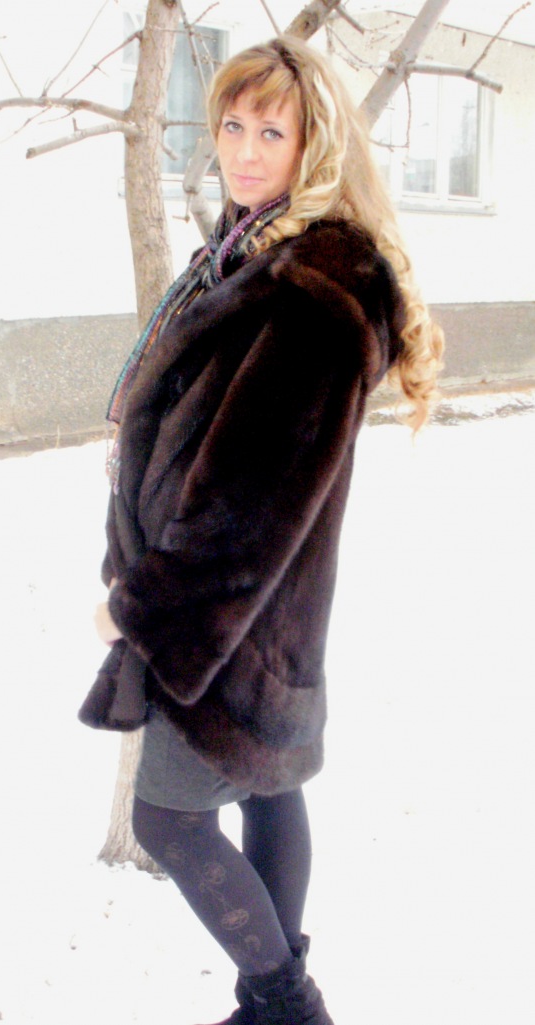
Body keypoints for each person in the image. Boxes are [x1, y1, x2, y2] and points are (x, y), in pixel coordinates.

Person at [79, 36, 443, 1025]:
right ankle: (265, 1003)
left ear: (314, 143)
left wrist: (140, 604)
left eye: (270, 133)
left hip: (227, 615)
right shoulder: (252, 249)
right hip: (264, 613)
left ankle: (287, 1004)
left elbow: (245, 504)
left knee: (169, 815)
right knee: (267, 788)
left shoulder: (312, 289)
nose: (243, 151)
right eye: (232, 125)